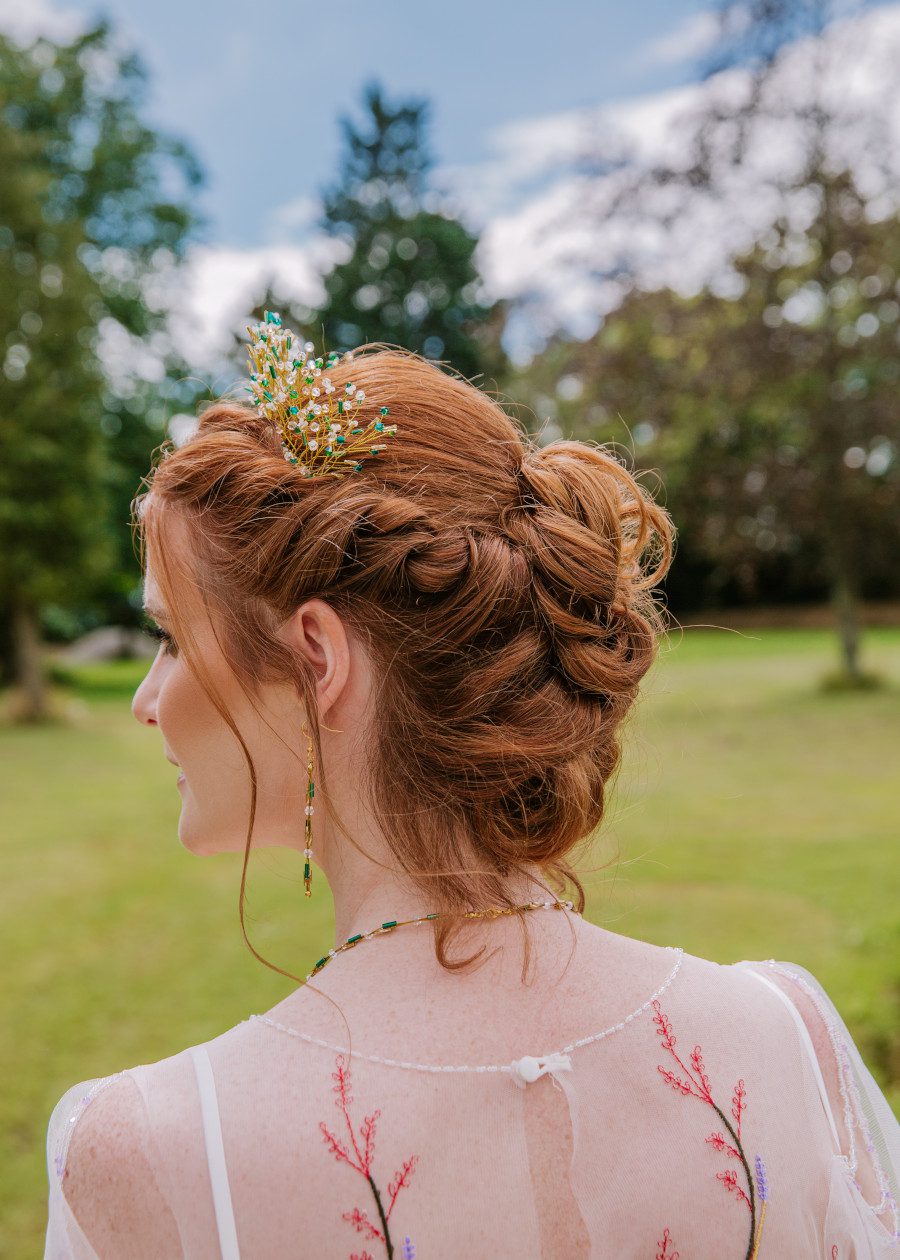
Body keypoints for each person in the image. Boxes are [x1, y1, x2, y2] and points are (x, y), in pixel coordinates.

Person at [44, 317, 899, 1258]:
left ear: (317, 659)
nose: (145, 700)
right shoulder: (787, 1043)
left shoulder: (152, 1157)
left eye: (171, 639)